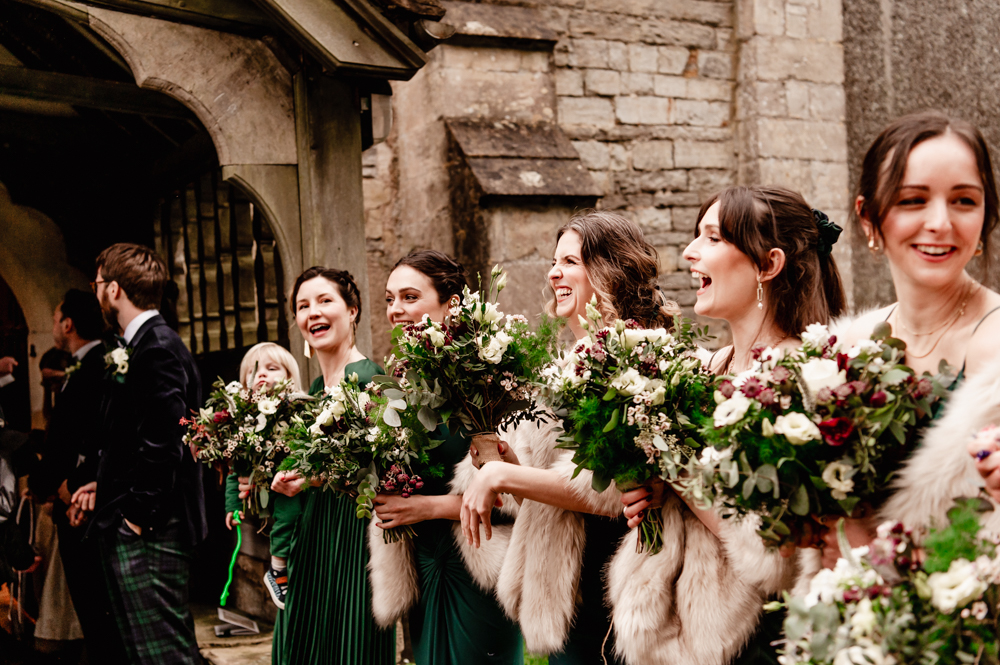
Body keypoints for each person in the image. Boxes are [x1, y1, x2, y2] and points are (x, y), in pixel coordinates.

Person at [603, 186, 845, 665]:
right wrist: (646, 485)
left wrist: (674, 467)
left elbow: (775, 554)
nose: (690, 252)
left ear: (767, 265)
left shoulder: (803, 377)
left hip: (761, 637)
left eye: (712, 238)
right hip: (679, 633)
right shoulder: (705, 367)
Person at [461, 211, 676, 664]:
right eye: (554, 261)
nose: (554, 272)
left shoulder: (638, 356)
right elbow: (552, 486)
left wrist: (504, 476)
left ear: (609, 270)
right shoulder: (562, 365)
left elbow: (614, 489)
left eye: (570, 262)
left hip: (615, 576)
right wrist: (511, 466)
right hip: (564, 582)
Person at [795, 112, 1000, 576]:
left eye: (964, 200)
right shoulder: (841, 349)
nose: (940, 223)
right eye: (913, 200)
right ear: (868, 217)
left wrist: (882, 560)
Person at [367, 249, 524, 664]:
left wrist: (426, 507)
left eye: (409, 297)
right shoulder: (398, 387)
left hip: (478, 563)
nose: (395, 310)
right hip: (420, 562)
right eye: (389, 299)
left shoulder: (490, 381)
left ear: (451, 303)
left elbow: (513, 493)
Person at [251, 266, 394, 665]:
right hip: (311, 535)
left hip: (351, 539)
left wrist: (313, 478)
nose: (313, 312)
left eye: (325, 301)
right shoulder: (314, 391)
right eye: (303, 305)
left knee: (346, 646)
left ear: (352, 310)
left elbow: (382, 470)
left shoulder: (369, 379)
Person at [72, 243, 207, 664]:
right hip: (143, 521)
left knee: (165, 654)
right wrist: (105, 480)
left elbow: (164, 441)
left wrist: (136, 518)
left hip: (153, 527)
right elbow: (137, 437)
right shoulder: (143, 344)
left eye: (97, 285)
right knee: (145, 652)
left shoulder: (157, 348)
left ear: (113, 289)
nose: (96, 295)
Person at [27, 290, 122, 662]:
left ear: (68, 324)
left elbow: (81, 438)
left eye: (54, 318)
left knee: (95, 604)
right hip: (79, 496)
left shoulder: (97, 366)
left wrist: (57, 486)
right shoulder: (92, 363)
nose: (53, 326)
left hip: (85, 502)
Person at [222, 342, 303, 610]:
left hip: (286, 482)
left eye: (271, 368)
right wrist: (232, 506)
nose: (262, 375)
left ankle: (278, 566)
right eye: (253, 371)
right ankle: (279, 570)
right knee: (286, 512)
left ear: (289, 377)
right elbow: (234, 469)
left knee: (290, 512)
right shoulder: (242, 420)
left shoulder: (294, 410)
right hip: (265, 491)